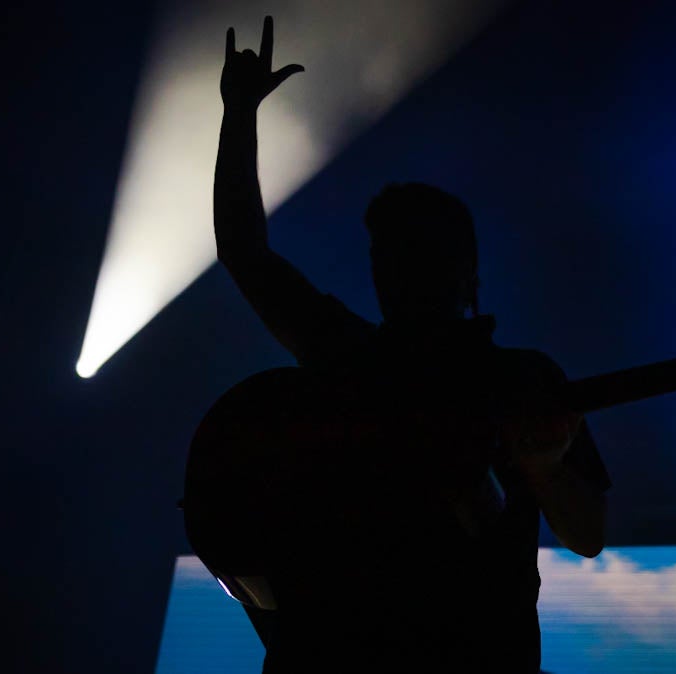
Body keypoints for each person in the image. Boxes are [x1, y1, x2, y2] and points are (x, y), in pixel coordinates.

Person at [213, 16, 610, 673]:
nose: (397, 273)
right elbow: (245, 255)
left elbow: (588, 531)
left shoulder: (511, 378)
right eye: (389, 256)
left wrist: (543, 468)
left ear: (463, 270)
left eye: (416, 255)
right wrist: (239, 112)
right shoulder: (354, 354)